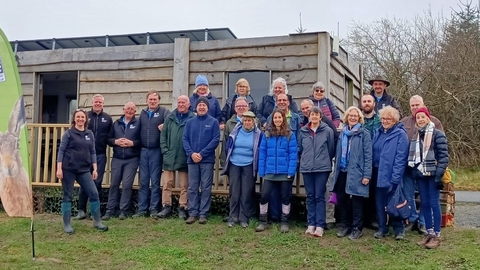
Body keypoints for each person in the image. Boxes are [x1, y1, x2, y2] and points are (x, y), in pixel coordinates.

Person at [56, 109, 108, 234]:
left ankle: (97, 222)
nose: (80, 119)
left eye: (82, 117)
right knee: (67, 196)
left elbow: (93, 151)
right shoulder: (68, 133)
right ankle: (67, 224)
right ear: (74, 119)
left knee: (94, 193)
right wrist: (59, 169)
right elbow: (61, 151)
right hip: (68, 169)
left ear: (86, 119)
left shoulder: (89, 133)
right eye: (78, 117)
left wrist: (95, 168)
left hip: (84, 169)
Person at [401, 95, 444, 234]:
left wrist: (440, 170)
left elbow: (442, 149)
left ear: (423, 105)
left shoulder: (435, 123)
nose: (415, 108)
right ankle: (412, 218)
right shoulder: (404, 122)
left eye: (417, 105)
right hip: (410, 167)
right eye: (412, 105)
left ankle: (425, 224)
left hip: (429, 169)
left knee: (430, 200)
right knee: (410, 195)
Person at [407, 107, 448, 249]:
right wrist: (413, 171)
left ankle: (437, 235)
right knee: (424, 204)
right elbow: (413, 157)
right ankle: (429, 233)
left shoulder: (437, 135)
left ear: (428, 118)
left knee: (434, 204)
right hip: (420, 174)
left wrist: (439, 175)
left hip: (433, 174)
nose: (420, 119)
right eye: (418, 117)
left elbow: (443, 157)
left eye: (423, 117)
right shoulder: (416, 136)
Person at [330, 106, 372, 240]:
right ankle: (345, 225)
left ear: (359, 118)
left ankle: (357, 228)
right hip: (342, 171)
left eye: (355, 116)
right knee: (342, 200)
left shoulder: (363, 133)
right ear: (347, 118)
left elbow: (368, 156)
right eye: (350, 116)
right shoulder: (342, 133)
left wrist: (367, 175)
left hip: (357, 172)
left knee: (357, 201)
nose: (352, 118)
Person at [256, 109, 298, 233]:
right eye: (275, 118)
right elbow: (262, 153)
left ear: (283, 119)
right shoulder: (267, 134)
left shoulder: (290, 134)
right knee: (264, 196)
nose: (277, 120)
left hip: (285, 172)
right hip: (269, 172)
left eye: (280, 117)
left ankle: (284, 221)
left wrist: (291, 171)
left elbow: (293, 154)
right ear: (272, 120)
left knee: (285, 197)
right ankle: (263, 220)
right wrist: (262, 170)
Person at [299, 99, 338, 230]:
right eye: (312, 115)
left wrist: (323, 159)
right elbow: (300, 148)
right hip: (307, 168)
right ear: (308, 117)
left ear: (321, 117)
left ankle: (320, 225)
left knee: (319, 196)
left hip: (322, 168)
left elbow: (331, 149)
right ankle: (311, 223)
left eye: (317, 114)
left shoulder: (328, 131)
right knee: (310, 196)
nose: (314, 117)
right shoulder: (303, 131)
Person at [372, 106, 409, 240]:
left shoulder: (401, 135)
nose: (385, 121)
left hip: (391, 174)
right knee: (379, 202)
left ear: (394, 120)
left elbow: (401, 158)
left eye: (388, 118)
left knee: (394, 202)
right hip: (377, 172)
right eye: (383, 118)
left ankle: (399, 229)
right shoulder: (377, 132)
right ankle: (382, 228)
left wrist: (395, 178)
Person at [183, 97, 220, 224]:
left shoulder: (213, 122)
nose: (202, 107)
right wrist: (191, 154)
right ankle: (192, 213)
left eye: (204, 105)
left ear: (207, 108)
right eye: (200, 105)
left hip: (207, 160)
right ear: (196, 107)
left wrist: (202, 154)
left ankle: (203, 213)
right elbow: (185, 139)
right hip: (192, 160)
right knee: (192, 187)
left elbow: (215, 139)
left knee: (206, 187)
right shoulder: (190, 122)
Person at [74, 94, 112, 220]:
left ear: (103, 104)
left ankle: (94, 211)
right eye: (96, 102)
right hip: (84, 155)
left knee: (97, 183)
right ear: (92, 103)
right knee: (84, 182)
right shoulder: (86, 116)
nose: (98, 104)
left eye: (100, 102)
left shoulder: (107, 118)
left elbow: (110, 137)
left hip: (100, 154)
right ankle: (81, 211)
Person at [157, 95, 195, 219]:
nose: (181, 104)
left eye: (183, 102)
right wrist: (165, 150)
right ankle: (166, 206)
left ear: (189, 104)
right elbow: (163, 136)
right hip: (170, 155)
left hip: (184, 156)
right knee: (167, 183)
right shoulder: (170, 118)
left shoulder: (192, 118)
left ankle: (183, 207)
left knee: (184, 184)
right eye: (179, 102)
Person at [222, 111, 262, 228]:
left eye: (249, 120)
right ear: (242, 121)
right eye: (245, 120)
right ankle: (233, 217)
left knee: (246, 192)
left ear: (253, 121)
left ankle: (244, 217)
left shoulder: (258, 134)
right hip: (234, 163)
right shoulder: (235, 131)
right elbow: (228, 146)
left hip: (249, 165)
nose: (247, 122)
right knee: (234, 192)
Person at [134, 91, 171, 218]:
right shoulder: (142, 114)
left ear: (159, 101)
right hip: (143, 151)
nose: (153, 101)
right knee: (143, 181)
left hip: (156, 151)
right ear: (147, 101)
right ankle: (142, 209)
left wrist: (165, 125)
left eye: (155, 99)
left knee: (155, 181)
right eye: (150, 99)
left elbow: (172, 121)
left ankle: (154, 208)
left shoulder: (164, 112)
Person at [102, 102, 141, 220]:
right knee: (114, 184)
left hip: (132, 159)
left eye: (132, 109)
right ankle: (110, 210)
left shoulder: (139, 123)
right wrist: (116, 142)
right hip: (117, 158)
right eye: (127, 108)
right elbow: (108, 139)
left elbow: (142, 141)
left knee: (127, 185)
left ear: (135, 111)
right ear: (123, 109)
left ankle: (123, 211)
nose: (129, 111)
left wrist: (132, 143)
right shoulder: (116, 124)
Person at [265, 93, 301, 221]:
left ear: (288, 102)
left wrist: (294, 164)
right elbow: (264, 150)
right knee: (272, 193)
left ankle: (285, 218)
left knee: (285, 194)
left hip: (287, 164)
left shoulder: (296, 119)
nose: (277, 120)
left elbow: (298, 142)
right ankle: (274, 216)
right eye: (279, 100)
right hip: (272, 166)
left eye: (284, 100)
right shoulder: (269, 122)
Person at [359, 94, 381, 230]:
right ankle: (361, 218)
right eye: (364, 101)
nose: (367, 103)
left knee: (373, 191)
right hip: (359, 160)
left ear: (374, 104)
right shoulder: (357, 119)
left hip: (375, 160)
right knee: (360, 190)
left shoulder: (379, 120)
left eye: (369, 101)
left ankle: (373, 218)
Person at [221, 97, 260, 167]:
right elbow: (225, 143)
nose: (241, 108)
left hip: (250, 162)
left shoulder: (256, 122)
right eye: (238, 106)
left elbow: (259, 142)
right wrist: (223, 161)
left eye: (244, 106)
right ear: (235, 109)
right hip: (233, 162)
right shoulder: (229, 123)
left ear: (248, 108)